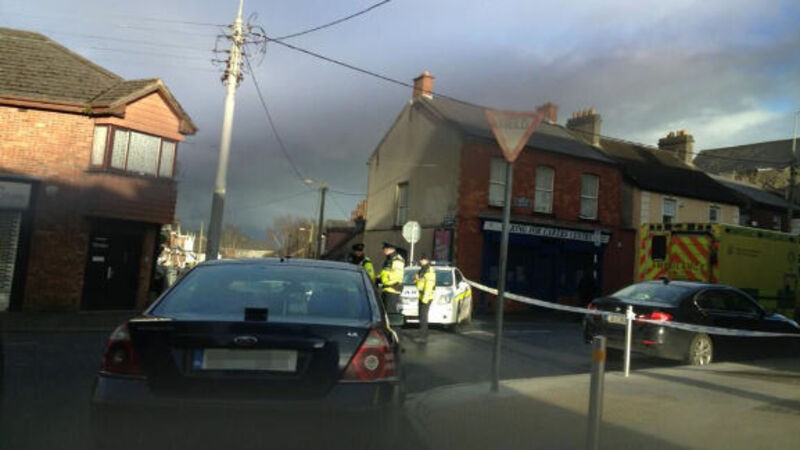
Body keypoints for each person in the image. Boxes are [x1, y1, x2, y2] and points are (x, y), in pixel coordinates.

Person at [379, 242, 405, 314]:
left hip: (392, 290)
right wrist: (379, 278)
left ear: (390, 249)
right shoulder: (389, 259)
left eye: (384, 249)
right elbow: (385, 272)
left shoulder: (397, 260)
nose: (383, 250)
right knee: (384, 313)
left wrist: (385, 280)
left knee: (390, 313)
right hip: (386, 289)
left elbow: (397, 275)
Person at [415, 254, 436, 343]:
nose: (421, 261)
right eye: (421, 259)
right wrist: (416, 280)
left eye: (423, 260)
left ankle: (423, 336)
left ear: (427, 261)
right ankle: (423, 334)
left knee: (423, 316)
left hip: (426, 296)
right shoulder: (422, 270)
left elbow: (429, 287)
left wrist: (425, 299)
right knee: (421, 316)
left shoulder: (429, 271)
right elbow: (419, 285)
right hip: (421, 295)